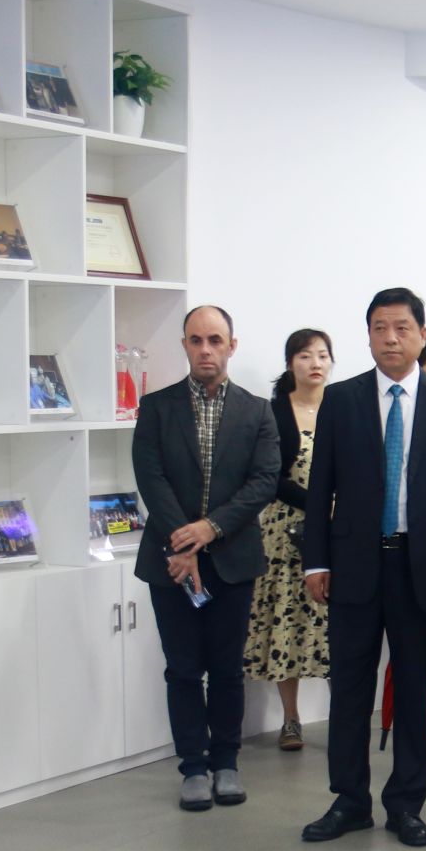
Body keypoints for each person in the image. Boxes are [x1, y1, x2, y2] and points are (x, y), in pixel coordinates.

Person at [299, 287, 426, 849]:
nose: (390, 338)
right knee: (349, 688)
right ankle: (349, 800)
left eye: (402, 327)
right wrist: (315, 561)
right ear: (367, 336)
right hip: (354, 564)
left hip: (425, 566)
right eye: (379, 328)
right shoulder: (342, 399)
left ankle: (406, 804)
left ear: (422, 335)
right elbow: (320, 489)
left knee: (413, 690)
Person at [130, 305, 281, 811]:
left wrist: (209, 529)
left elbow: (263, 481)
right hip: (171, 564)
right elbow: (151, 477)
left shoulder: (257, 411)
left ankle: (226, 762)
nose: (205, 350)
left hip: (232, 560)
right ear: (185, 345)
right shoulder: (157, 408)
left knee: (227, 669)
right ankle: (193, 767)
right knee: (182, 669)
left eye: (215, 340)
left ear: (231, 346)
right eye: (196, 340)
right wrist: (184, 544)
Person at [243, 328, 334, 749]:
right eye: (304, 356)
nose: (315, 363)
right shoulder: (274, 412)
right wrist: (319, 504)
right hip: (285, 531)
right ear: (290, 363)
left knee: (336, 626)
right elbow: (269, 477)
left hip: (337, 529)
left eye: (322, 355)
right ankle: (291, 719)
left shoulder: (344, 406)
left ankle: (344, 714)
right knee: (287, 620)